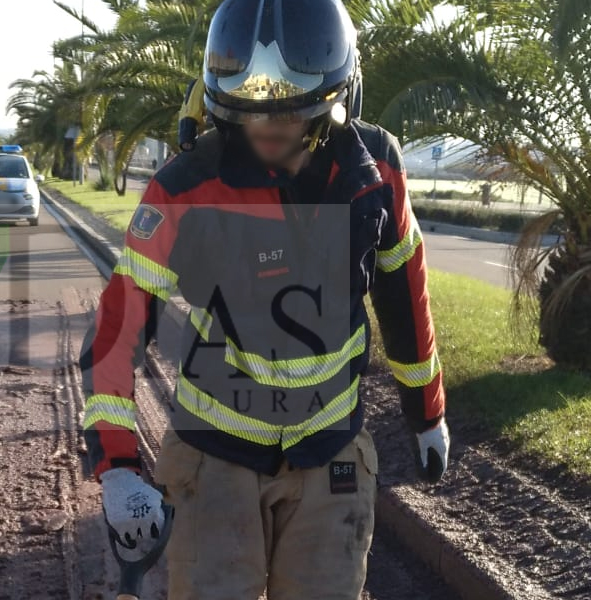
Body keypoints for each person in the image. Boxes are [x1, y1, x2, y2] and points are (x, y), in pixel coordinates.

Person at [79, 1, 450, 599]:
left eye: (293, 120)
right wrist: (118, 467)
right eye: (256, 121)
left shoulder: (376, 172)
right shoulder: (183, 188)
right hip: (213, 460)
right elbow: (118, 328)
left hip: (332, 453)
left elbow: (404, 296)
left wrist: (427, 415)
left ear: (334, 101)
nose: (273, 134)